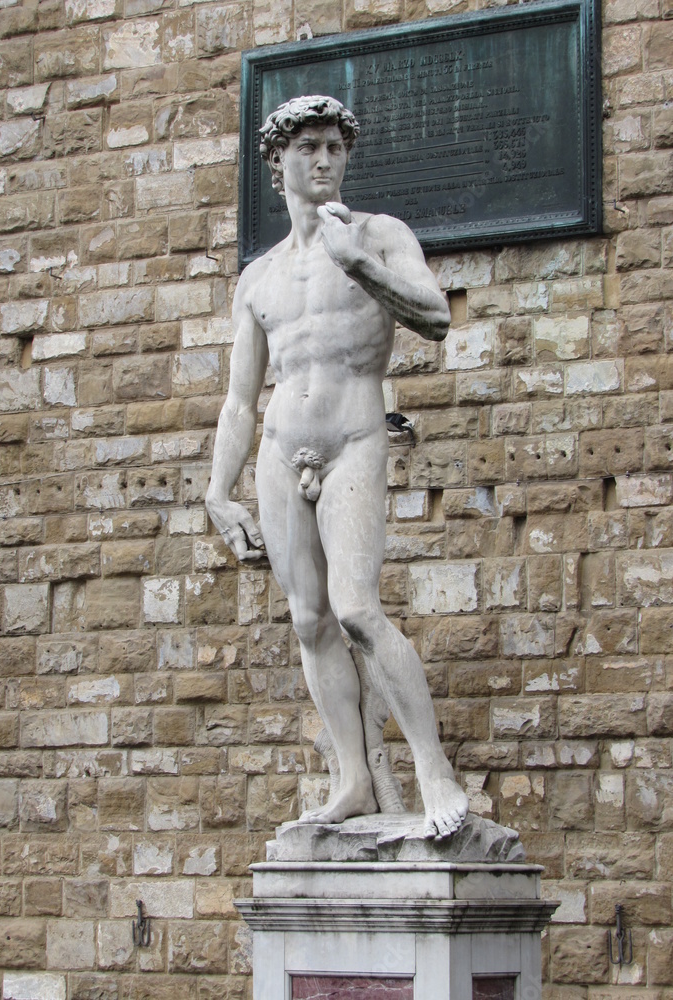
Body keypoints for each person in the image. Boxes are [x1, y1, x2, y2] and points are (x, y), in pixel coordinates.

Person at [205, 95, 469, 839]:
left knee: (356, 606)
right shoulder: (257, 279)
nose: (324, 160)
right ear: (277, 162)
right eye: (308, 148)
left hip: (354, 435)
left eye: (334, 147)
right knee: (310, 620)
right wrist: (216, 491)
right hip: (281, 450)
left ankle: (432, 769)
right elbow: (238, 399)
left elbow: (436, 315)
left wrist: (357, 264)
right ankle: (352, 777)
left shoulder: (378, 235)